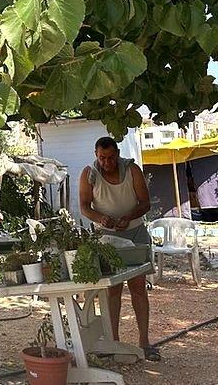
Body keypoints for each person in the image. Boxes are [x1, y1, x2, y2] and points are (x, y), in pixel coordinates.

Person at [79, 137, 160, 361]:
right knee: (112, 290)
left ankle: (144, 342)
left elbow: (145, 203)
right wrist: (101, 218)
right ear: (96, 155)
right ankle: (113, 342)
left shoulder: (132, 170)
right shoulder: (89, 175)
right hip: (106, 237)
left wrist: (128, 217)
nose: (107, 162)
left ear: (118, 153)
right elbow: (85, 206)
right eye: (102, 158)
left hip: (135, 232)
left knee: (138, 287)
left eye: (111, 158)